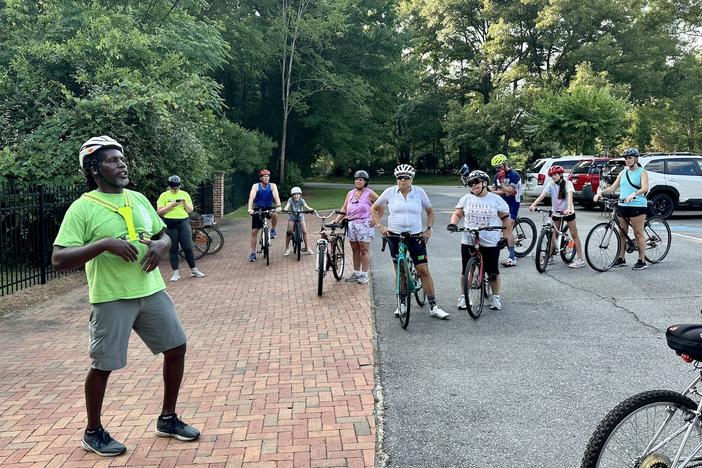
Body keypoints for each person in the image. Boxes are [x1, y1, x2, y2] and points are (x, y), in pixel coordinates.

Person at [52, 136, 200, 457]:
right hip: (111, 297)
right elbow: (59, 258)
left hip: (150, 290)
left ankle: (168, 418)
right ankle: (93, 432)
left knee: (177, 347)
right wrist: (103, 244)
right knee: (103, 364)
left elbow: (160, 234)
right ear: (93, 169)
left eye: (122, 158)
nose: (122, 164)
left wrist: (162, 245)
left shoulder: (138, 199)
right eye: (112, 160)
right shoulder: (83, 208)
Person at [371, 164, 449, 319]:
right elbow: (374, 208)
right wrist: (380, 226)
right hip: (394, 235)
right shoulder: (390, 192)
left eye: (406, 178)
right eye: (399, 178)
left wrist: (428, 229)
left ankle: (434, 306)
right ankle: (401, 303)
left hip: (415, 235)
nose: (402, 181)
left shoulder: (419, 192)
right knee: (399, 270)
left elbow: (430, 211)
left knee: (423, 271)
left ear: (412, 179)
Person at [448, 170, 512, 311]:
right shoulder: (466, 199)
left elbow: (506, 219)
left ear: (484, 183)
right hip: (469, 238)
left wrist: (505, 237)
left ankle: (496, 297)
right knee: (466, 270)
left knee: (492, 271)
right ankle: (464, 296)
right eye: (470, 183)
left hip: (490, 240)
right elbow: (458, 213)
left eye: (476, 182)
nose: (473, 185)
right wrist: (453, 223)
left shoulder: (496, 200)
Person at [593, 148, 650, 270]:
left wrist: (635, 193)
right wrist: (600, 193)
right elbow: (612, 188)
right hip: (623, 205)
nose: (627, 160)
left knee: (638, 233)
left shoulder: (642, 172)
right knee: (621, 233)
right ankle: (621, 258)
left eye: (630, 158)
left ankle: (642, 260)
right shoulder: (623, 173)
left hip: (637, 205)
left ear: (635, 159)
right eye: (626, 158)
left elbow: (645, 188)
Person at [528, 165, 586, 268]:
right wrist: (533, 205)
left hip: (568, 212)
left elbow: (570, 197)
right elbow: (542, 195)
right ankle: (549, 257)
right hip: (556, 213)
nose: (553, 177)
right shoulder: (551, 184)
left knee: (574, 234)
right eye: (551, 175)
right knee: (553, 235)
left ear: (560, 174)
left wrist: (568, 209)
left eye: (555, 174)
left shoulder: (568, 184)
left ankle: (580, 259)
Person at [156, 175, 206, 281]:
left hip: (183, 222)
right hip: (170, 223)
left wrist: (184, 203)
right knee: (173, 248)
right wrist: (171, 205)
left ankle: (194, 270)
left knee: (188, 247)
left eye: (177, 187)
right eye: (173, 187)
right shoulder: (164, 195)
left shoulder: (185, 194)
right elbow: (160, 211)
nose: (175, 189)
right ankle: (175, 273)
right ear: (169, 186)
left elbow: (190, 211)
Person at [336, 170, 379, 284]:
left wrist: (376, 219)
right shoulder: (350, 193)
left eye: (361, 179)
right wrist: (337, 219)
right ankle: (356, 273)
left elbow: (381, 204)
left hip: (364, 224)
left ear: (365, 181)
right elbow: (344, 209)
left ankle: (364, 275)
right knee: (355, 250)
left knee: (364, 250)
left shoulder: (369, 193)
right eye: (356, 179)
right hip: (351, 224)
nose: (358, 181)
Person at [489, 154, 521, 267]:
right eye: (495, 168)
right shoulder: (497, 175)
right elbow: (493, 188)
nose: (497, 170)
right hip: (501, 204)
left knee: (507, 230)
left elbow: (508, 192)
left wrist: (502, 183)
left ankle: (512, 257)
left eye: (499, 167)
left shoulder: (514, 175)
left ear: (505, 164)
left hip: (513, 204)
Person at [246, 169, 282, 262]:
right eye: (264, 176)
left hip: (269, 207)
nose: (266, 178)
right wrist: (250, 208)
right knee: (254, 231)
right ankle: (253, 253)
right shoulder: (256, 186)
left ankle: (273, 230)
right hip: (258, 208)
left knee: (274, 213)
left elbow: (276, 196)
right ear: (261, 178)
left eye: (268, 176)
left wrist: (279, 206)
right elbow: (251, 197)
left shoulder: (273, 185)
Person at [283, 186, 314, 256]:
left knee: (304, 232)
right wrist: (285, 209)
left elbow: (306, 206)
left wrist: (310, 209)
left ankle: (307, 247)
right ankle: (287, 248)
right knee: (289, 231)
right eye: (294, 194)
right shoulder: (290, 200)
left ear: (300, 195)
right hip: (292, 218)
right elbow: (287, 206)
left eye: (297, 194)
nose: (296, 196)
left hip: (300, 217)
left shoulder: (302, 200)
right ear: (292, 195)